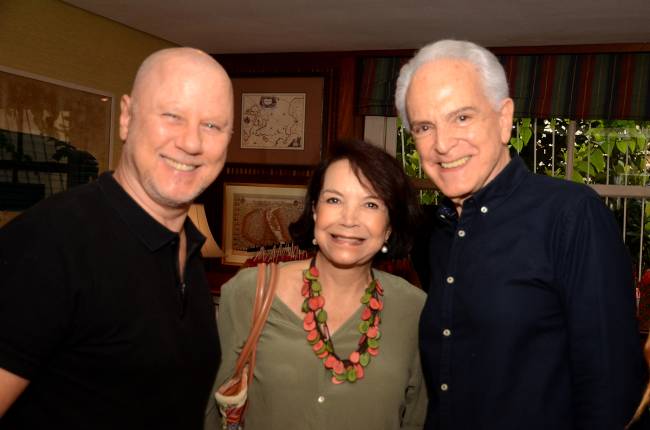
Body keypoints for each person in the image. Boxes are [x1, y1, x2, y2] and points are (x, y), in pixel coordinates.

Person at [394, 39, 647, 429]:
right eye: (425, 126)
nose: (443, 144)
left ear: (503, 118)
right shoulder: (437, 233)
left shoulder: (571, 214)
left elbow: (612, 392)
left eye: (462, 117)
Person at [0, 47, 233, 429]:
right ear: (127, 117)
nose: (191, 143)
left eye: (212, 125)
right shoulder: (49, 242)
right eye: (172, 116)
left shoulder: (187, 247)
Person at [205, 140, 427, 429]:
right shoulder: (249, 291)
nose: (349, 219)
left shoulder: (415, 309)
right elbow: (210, 412)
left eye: (371, 204)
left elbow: (417, 417)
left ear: (389, 227)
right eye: (334, 200)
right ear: (314, 211)